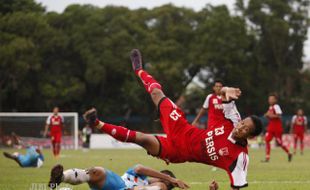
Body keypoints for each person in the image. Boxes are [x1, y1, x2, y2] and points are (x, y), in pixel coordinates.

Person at [83, 49, 263, 190]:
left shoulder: (239, 158)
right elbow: (225, 97)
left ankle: (96, 123)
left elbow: (236, 186)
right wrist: (227, 89)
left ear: (251, 137)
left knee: (142, 139)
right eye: (242, 123)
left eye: (246, 129)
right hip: (182, 128)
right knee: (156, 93)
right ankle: (139, 70)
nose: (240, 127)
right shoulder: (233, 120)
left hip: (178, 151)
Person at [48, 164, 189, 190]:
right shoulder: (139, 174)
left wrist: (168, 182)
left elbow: (160, 185)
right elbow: (139, 168)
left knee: (159, 188)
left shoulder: (161, 185)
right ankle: (60, 179)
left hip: (120, 186)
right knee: (95, 171)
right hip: (116, 184)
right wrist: (171, 179)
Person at [263, 94, 292, 162]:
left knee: (279, 143)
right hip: (271, 127)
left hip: (277, 127)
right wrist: (267, 115)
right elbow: (267, 115)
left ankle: (289, 153)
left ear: (275, 100)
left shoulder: (276, 106)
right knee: (267, 140)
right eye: (269, 99)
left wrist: (270, 115)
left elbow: (279, 116)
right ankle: (267, 157)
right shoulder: (270, 107)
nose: (270, 100)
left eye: (271, 99)